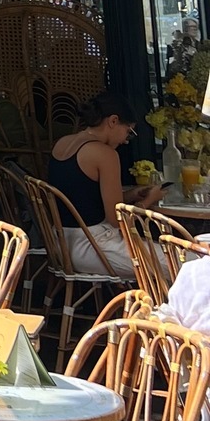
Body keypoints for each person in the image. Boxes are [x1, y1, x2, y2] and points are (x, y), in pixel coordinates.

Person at [48, 90, 159, 281]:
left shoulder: (61, 144)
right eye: (128, 131)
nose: (125, 140)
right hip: (94, 248)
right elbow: (117, 220)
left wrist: (130, 195)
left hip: (58, 245)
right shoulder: (105, 154)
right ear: (113, 121)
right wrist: (149, 201)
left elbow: (83, 198)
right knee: (191, 263)